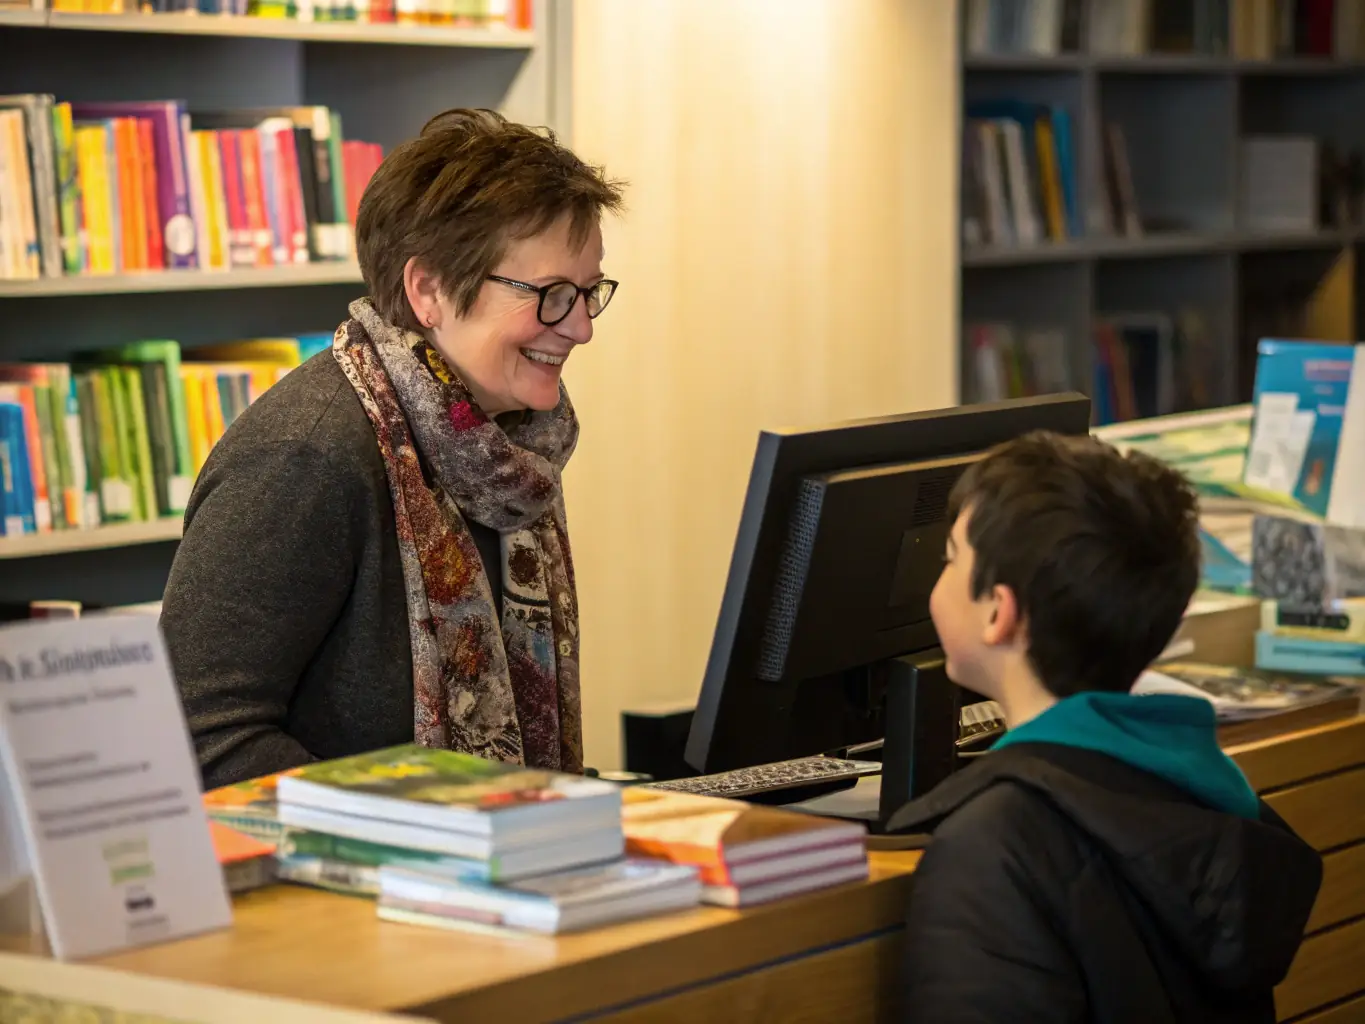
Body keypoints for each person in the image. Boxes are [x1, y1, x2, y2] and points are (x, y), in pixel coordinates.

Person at [161, 109, 624, 789]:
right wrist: (421, 826)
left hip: (485, 867)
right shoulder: (307, 455)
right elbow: (195, 737)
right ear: (428, 289)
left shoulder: (511, 453)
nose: (580, 328)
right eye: (552, 295)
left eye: (588, 293)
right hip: (347, 880)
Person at [888, 431, 1322, 1024]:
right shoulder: (1208, 794)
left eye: (949, 558)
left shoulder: (991, 847)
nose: (936, 582)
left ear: (999, 612)